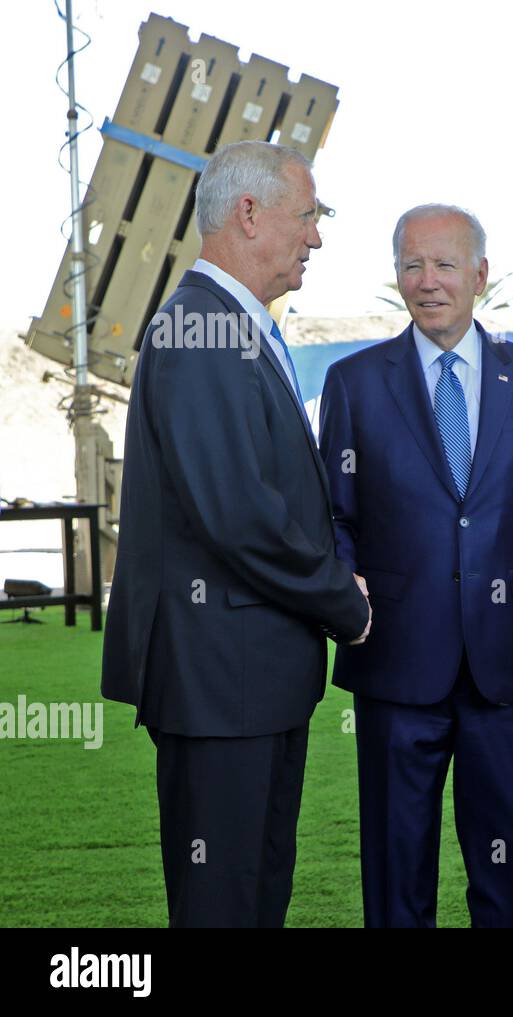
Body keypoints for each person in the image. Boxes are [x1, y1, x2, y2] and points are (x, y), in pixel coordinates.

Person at [101, 140, 372, 927]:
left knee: (255, 895)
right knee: (226, 903)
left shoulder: (227, 325)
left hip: (248, 682)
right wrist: (344, 603)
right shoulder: (200, 330)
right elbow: (237, 513)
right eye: (308, 215)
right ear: (249, 214)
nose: (315, 237)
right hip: (222, 683)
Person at [318, 204, 513, 928]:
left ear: (479, 275)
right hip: (394, 668)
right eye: (412, 264)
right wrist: (348, 589)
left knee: (503, 873)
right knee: (396, 871)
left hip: (505, 674)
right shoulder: (353, 383)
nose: (427, 281)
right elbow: (334, 519)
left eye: (443, 265)